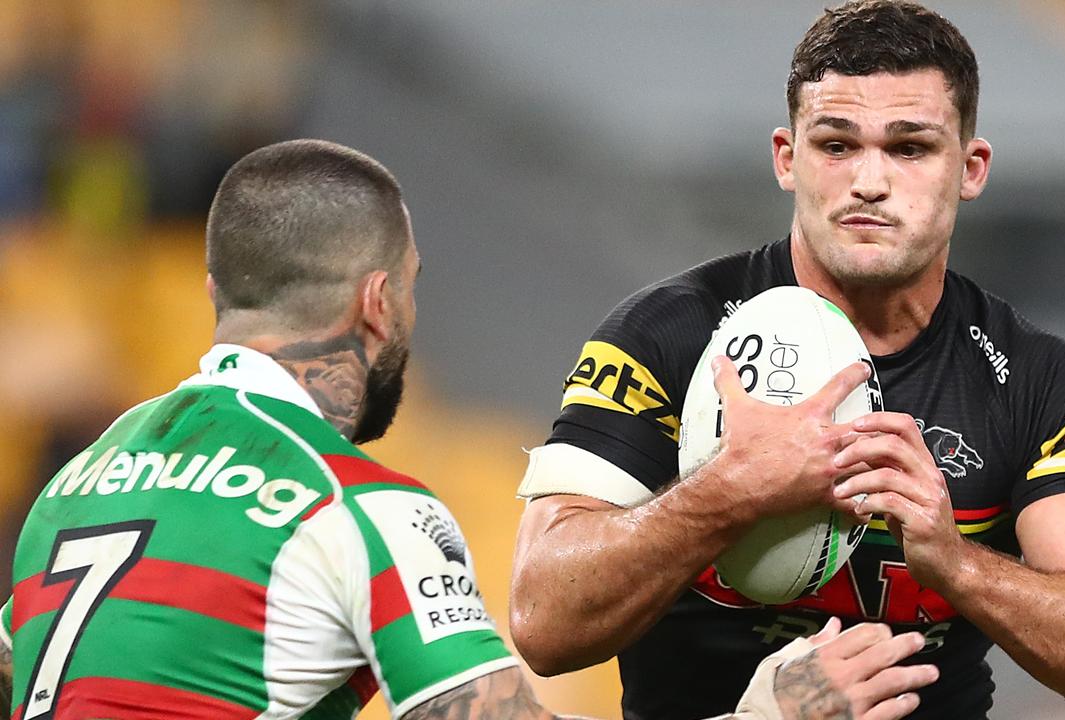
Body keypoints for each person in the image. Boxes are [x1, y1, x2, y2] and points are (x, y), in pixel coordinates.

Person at [0, 139, 937, 720]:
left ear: (216, 296)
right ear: (377, 302)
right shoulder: (361, 513)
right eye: (409, 287)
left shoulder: (75, 485)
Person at [508, 2, 1065, 719]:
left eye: (909, 148)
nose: (868, 182)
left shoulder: (1040, 382)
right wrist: (731, 491)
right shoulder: (666, 335)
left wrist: (954, 563)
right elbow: (542, 619)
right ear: (787, 158)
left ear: (971, 168)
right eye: (836, 145)